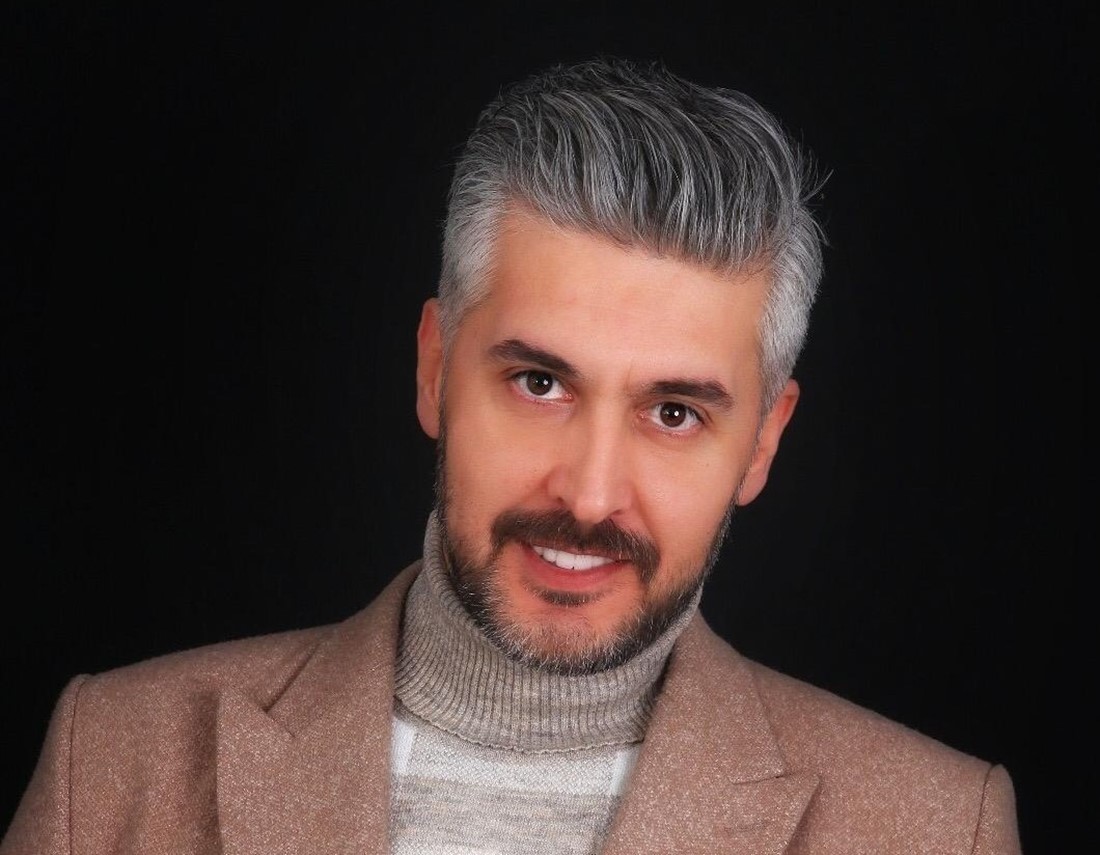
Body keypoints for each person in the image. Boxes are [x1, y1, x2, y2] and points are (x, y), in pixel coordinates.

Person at [1, 57, 1022, 855]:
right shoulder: (116, 761)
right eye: (540, 384)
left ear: (762, 443)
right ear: (434, 368)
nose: (589, 494)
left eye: (673, 412)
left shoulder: (938, 828)